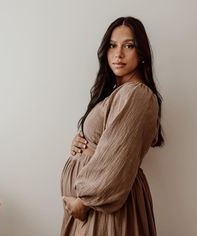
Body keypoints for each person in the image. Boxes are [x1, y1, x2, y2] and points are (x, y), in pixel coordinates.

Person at [60, 16, 164, 236]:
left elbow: (118, 156)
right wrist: (81, 142)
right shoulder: (117, 93)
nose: (118, 54)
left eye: (129, 46)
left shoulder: (136, 94)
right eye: (112, 46)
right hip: (94, 204)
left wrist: (83, 203)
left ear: (142, 53)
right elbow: (108, 142)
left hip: (105, 207)